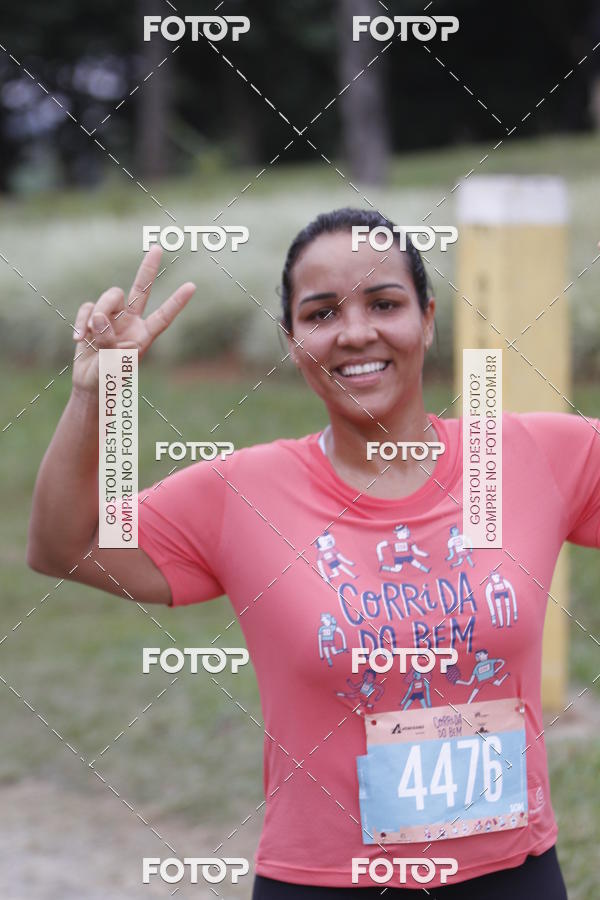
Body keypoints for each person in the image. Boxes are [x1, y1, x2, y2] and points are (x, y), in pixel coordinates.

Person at [27, 206, 599, 898]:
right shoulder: (243, 492)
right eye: (321, 313)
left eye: (384, 303)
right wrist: (102, 392)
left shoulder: (531, 457)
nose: (356, 333)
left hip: (510, 876)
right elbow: (66, 546)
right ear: (293, 341)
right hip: (324, 882)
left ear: (427, 317)